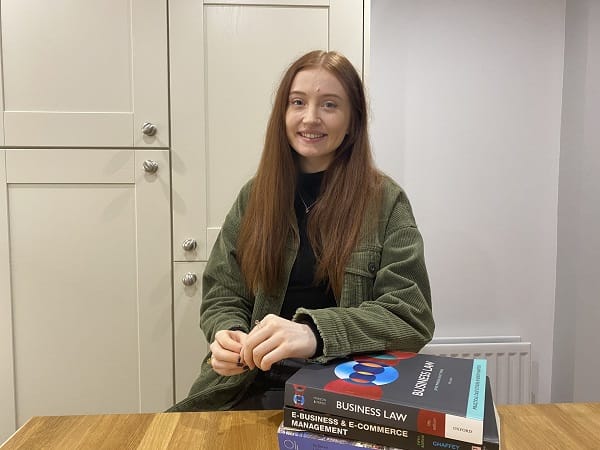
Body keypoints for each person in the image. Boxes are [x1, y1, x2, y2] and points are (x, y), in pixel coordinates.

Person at [169, 50, 434, 412]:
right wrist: (227, 334)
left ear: (353, 121)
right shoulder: (255, 195)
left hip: (346, 396)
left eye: (329, 105)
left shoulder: (385, 201)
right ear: (283, 113)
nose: (310, 118)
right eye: (298, 102)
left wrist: (313, 333)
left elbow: (410, 316)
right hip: (247, 387)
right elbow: (223, 292)